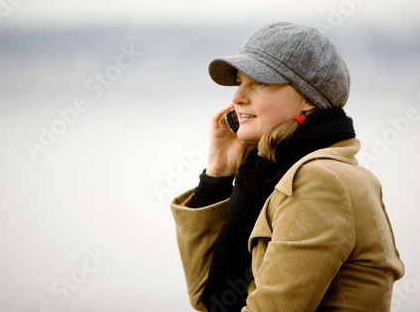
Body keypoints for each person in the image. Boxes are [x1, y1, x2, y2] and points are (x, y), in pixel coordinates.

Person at [170, 22, 405, 312]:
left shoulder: (320, 182)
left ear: (308, 99)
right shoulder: (266, 176)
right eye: (239, 82)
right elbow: (209, 300)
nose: (236, 97)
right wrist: (217, 176)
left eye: (258, 83)